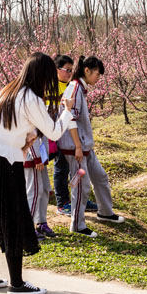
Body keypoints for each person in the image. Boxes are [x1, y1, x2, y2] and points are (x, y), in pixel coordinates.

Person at [0, 52, 74, 294]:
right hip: (4, 163)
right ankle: (16, 283)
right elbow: (52, 132)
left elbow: (7, 127)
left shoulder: (7, 91)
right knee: (13, 218)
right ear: (43, 76)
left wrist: (26, 138)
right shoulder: (32, 98)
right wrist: (67, 111)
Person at [57, 55, 125, 238]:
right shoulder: (74, 88)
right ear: (87, 71)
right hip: (75, 147)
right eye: (97, 73)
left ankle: (105, 212)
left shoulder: (80, 88)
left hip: (85, 146)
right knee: (81, 186)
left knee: (100, 177)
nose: (98, 78)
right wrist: (78, 146)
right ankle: (77, 224)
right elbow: (70, 117)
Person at [50, 54, 93, 215]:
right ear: (56, 69)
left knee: (76, 169)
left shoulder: (71, 86)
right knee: (61, 167)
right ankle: (62, 202)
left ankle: (79, 198)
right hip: (59, 134)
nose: (69, 73)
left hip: (73, 134)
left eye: (71, 70)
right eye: (66, 70)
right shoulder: (50, 87)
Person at [24, 135, 55, 239]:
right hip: (32, 159)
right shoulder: (31, 117)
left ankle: (41, 223)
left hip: (41, 157)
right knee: (34, 193)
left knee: (44, 190)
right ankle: (28, 228)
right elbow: (30, 135)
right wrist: (36, 158)